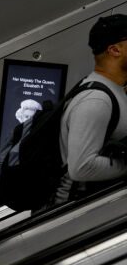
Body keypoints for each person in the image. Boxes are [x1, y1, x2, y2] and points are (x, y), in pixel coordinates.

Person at [52, 14, 127, 205]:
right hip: (74, 213)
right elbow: (81, 167)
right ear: (115, 50)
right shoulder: (96, 101)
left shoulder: (114, 89)